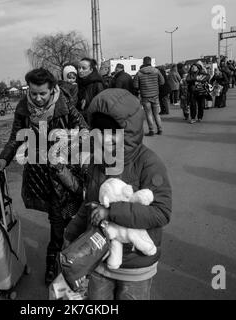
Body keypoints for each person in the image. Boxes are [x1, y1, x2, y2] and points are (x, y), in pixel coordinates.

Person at [64, 88, 172, 300]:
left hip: (135, 264)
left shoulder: (148, 163)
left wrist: (111, 212)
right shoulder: (98, 161)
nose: (106, 138)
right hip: (98, 258)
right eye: (100, 131)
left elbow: (161, 212)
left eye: (114, 131)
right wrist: (70, 235)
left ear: (129, 130)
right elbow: (89, 205)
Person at [0, 68, 88, 285]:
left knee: (73, 219)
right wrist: (4, 159)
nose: (37, 98)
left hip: (67, 172)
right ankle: (53, 264)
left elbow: (84, 132)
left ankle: (77, 264)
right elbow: (16, 137)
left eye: (42, 93)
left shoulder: (65, 104)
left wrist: (65, 151)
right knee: (57, 221)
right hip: (42, 176)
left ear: (52, 89)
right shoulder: (24, 107)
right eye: (33, 93)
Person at [133, 56, 165, 136]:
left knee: (148, 114)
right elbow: (162, 82)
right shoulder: (156, 71)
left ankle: (151, 130)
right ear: (150, 62)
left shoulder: (139, 73)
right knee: (156, 114)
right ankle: (160, 129)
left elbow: (135, 85)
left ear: (143, 62)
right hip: (155, 96)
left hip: (145, 96)